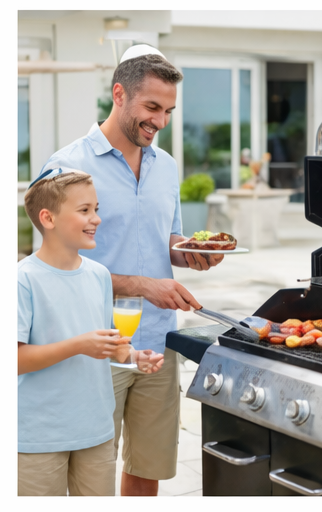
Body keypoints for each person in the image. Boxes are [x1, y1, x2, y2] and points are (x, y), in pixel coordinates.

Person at [41, 44, 224, 496]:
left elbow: (166, 239)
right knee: (90, 474)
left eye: (168, 111)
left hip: (157, 343)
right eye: (152, 107)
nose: (160, 122)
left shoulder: (166, 167)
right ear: (119, 94)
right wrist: (143, 285)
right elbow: (54, 265)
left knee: (147, 468)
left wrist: (192, 252)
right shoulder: (68, 166)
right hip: (93, 344)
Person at [18, 169, 164, 496]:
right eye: (84, 210)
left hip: (97, 431)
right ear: (48, 218)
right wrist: (79, 345)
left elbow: (106, 344)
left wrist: (134, 356)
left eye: (96, 209)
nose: (96, 218)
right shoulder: (22, 280)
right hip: (38, 436)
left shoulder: (98, 276)